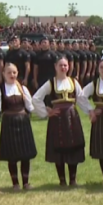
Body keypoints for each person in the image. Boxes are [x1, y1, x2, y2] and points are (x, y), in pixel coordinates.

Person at [32, 56, 86, 187]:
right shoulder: (51, 83)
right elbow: (36, 98)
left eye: (65, 65)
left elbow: (82, 99)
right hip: (57, 119)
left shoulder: (74, 82)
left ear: (69, 67)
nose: (63, 68)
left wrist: (91, 112)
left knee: (73, 148)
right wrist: (46, 112)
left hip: (72, 117)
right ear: (55, 67)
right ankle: (62, 180)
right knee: (58, 148)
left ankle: (73, 180)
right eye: (61, 65)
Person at [0, 63, 37, 190]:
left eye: (14, 72)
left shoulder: (23, 88)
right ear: (3, 74)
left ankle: (26, 183)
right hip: (9, 123)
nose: (12, 75)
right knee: (12, 154)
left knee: (25, 154)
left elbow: (30, 106)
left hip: (23, 122)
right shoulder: (0, 90)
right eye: (9, 72)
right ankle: (15, 183)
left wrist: (44, 111)